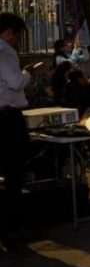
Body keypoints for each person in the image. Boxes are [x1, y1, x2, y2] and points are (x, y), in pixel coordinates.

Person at [0, 13, 41, 252]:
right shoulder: (5, 52)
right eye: (17, 36)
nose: (18, 41)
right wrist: (27, 74)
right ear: (8, 32)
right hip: (7, 118)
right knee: (14, 173)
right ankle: (12, 230)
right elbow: (15, 82)